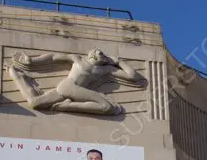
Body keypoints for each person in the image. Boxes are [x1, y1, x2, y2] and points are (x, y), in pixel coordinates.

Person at [10, 48, 145, 116]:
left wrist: (119, 61)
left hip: (72, 92)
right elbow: (53, 57)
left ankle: (19, 77)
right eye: (102, 54)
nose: (105, 57)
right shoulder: (78, 59)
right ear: (92, 55)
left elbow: (133, 77)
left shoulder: (107, 70)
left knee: (35, 103)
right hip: (67, 86)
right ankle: (65, 106)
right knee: (107, 106)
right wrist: (32, 61)